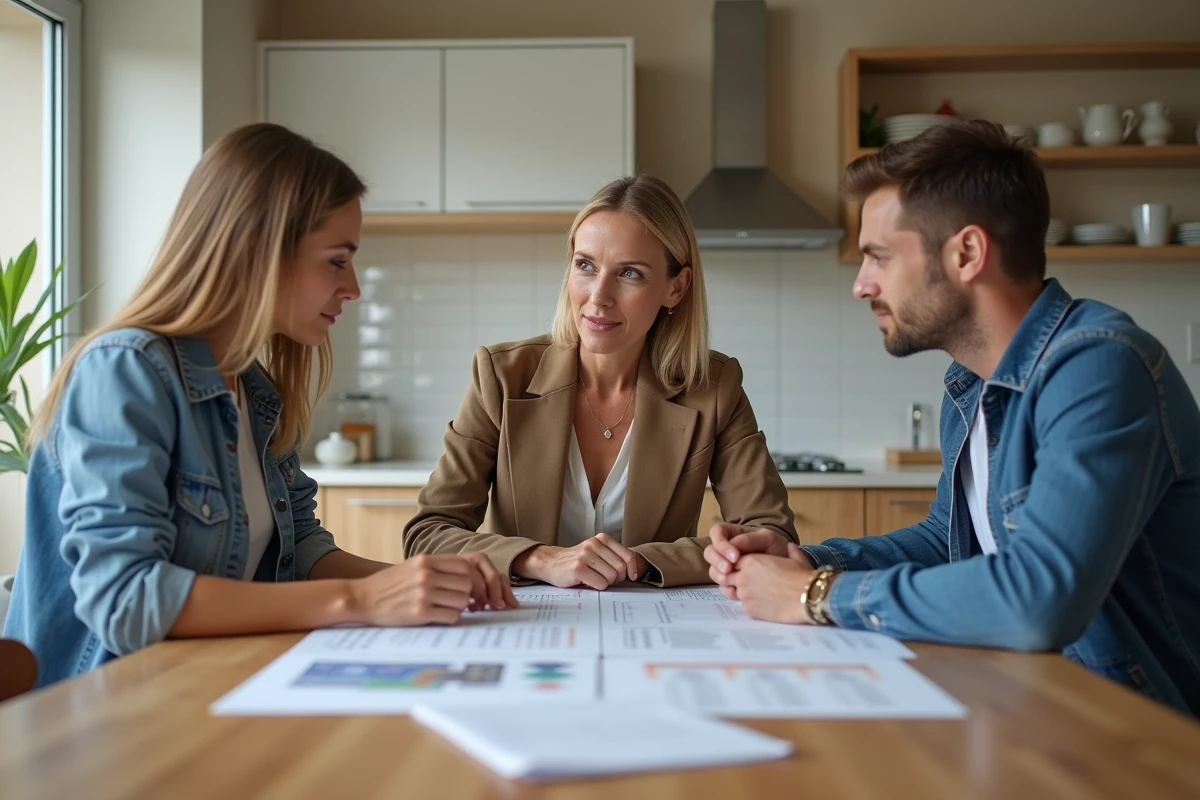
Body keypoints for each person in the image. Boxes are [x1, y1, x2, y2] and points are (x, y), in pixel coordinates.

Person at [704, 119, 1200, 715]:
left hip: (1134, 728)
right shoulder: (971, 385)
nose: (861, 285)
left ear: (967, 253)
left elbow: (1039, 599)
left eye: (878, 257)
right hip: (1029, 701)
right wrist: (811, 560)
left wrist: (816, 594)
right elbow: (947, 540)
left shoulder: (1100, 367)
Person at [4, 123, 515, 688]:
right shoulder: (125, 370)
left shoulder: (257, 390)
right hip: (105, 705)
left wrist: (424, 581)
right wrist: (360, 598)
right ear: (259, 251)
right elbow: (126, 599)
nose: (353, 287)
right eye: (336, 261)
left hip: (202, 683)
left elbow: (300, 548)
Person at [404, 175, 797, 588]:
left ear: (676, 288)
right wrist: (539, 559)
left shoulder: (713, 388)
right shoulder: (501, 377)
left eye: (630, 273)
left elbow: (773, 537)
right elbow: (427, 535)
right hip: (523, 616)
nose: (598, 297)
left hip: (656, 618)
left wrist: (641, 562)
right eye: (585, 266)